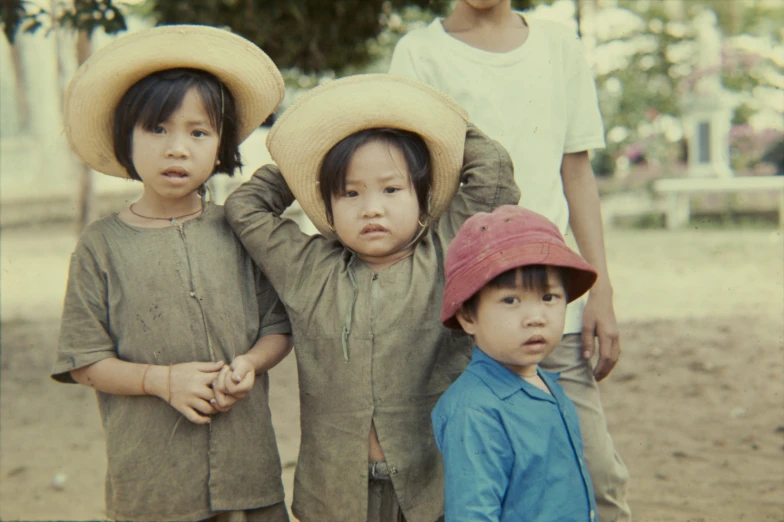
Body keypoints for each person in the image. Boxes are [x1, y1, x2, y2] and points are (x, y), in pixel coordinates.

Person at [225, 74, 519, 522]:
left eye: (391, 189)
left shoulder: (447, 253)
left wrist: (442, 124)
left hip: (433, 489)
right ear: (326, 206)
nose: (371, 208)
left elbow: (493, 179)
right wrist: (304, 156)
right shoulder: (308, 269)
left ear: (425, 201)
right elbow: (246, 208)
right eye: (350, 192)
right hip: (335, 496)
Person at [389, 1, 631, 519]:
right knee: (471, 483)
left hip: (549, 299)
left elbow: (577, 173)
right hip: (463, 307)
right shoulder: (419, 54)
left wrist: (601, 290)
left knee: (597, 474)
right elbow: (411, 187)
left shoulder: (558, 46)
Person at [52, 25, 293, 522]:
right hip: (153, 487)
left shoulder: (239, 229)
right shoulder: (102, 245)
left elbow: (277, 327)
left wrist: (249, 364)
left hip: (247, 476)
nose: (177, 148)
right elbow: (83, 359)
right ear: (126, 138)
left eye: (198, 132)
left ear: (222, 144)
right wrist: (161, 380)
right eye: (157, 129)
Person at [434, 205, 599, 521]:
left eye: (549, 297)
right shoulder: (474, 410)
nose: (535, 318)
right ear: (468, 315)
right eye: (511, 300)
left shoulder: (548, 384)